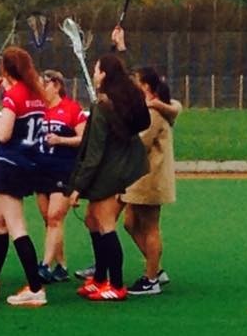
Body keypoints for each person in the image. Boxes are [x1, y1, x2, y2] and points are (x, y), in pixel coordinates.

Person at [0, 47, 48, 307]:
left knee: (16, 225)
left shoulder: (14, 95)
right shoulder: (38, 94)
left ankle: (35, 287)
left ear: (6, 69)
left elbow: (4, 134)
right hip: (28, 163)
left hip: (11, 164)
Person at [69, 53, 151, 302]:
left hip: (112, 171)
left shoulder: (103, 106)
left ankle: (115, 284)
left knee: (105, 224)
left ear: (104, 74)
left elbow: (94, 152)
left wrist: (77, 187)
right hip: (121, 166)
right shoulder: (122, 98)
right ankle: (100, 279)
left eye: (97, 70)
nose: (94, 74)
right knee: (91, 219)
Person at [122, 67, 177, 295]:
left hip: (151, 177)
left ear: (146, 86)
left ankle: (151, 278)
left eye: (137, 81)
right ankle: (155, 268)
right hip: (139, 177)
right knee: (130, 223)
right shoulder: (150, 107)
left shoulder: (154, 112)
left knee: (150, 226)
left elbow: (141, 142)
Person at [34, 70, 87, 284]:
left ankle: (45, 265)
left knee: (55, 217)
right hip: (41, 171)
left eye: (44, 85)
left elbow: (83, 138)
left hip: (63, 170)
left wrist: (61, 140)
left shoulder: (71, 108)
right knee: (48, 220)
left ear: (56, 85)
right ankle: (61, 265)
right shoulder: (38, 110)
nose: (40, 89)